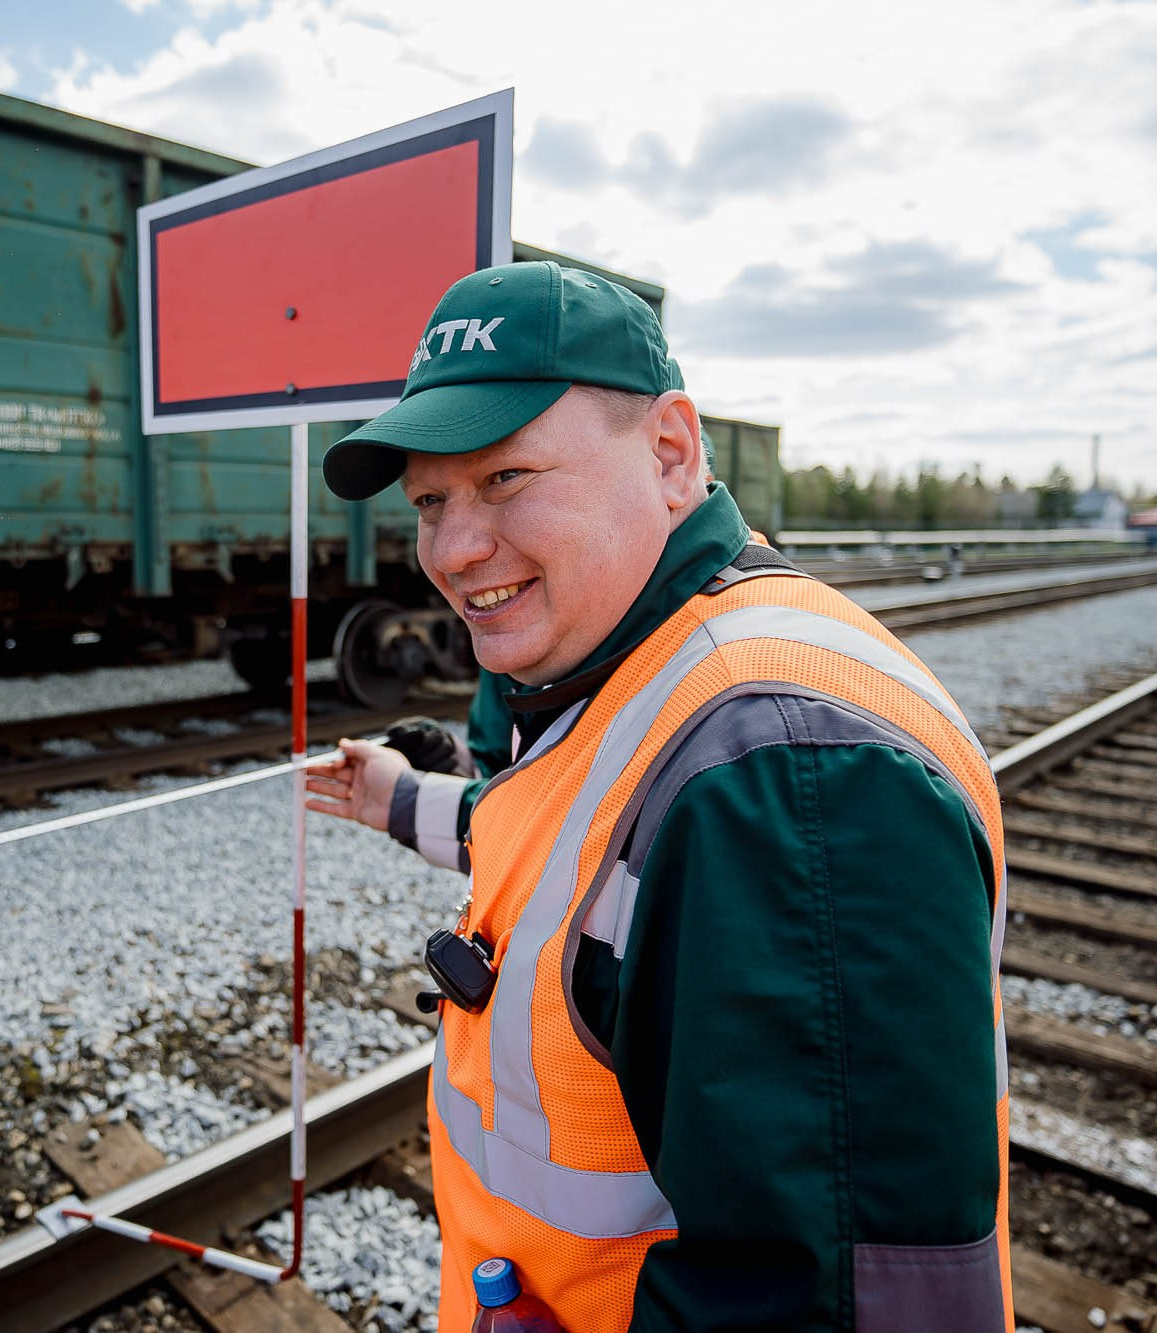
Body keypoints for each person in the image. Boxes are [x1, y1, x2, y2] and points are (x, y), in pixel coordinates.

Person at [304, 261, 1009, 1333]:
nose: (451, 550)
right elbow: (571, 850)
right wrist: (401, 799)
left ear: (671, 453)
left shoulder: (786, 776)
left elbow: (831, 1313)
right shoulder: (637, 667)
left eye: (505, 479)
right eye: (431, 501)